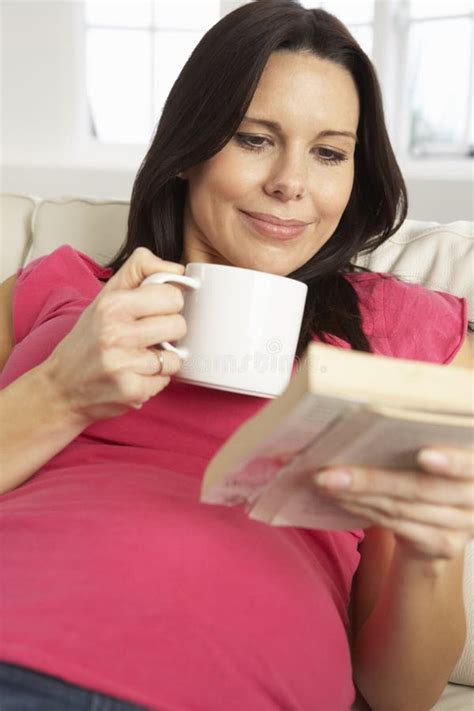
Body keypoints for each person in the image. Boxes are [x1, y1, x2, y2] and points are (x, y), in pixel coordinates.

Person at [0, 1, 473, 709]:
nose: (291, 182)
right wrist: (62, 392)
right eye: (255, 139)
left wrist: (432, 552)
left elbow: (399, 692)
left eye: (329, 153)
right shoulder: (63, 289)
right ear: (192, 145)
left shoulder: (403, 334)